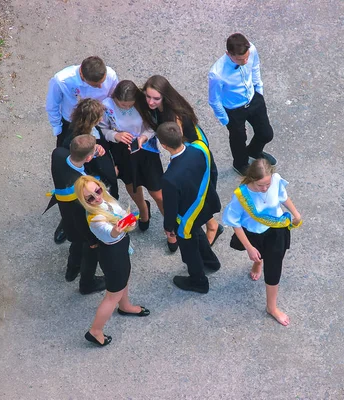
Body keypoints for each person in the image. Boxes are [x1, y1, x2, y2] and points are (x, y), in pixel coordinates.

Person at [143, 75, 224, 247]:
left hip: (194, 153)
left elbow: (177, 142)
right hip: (191, 149)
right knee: (196, 192)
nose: (150, 102)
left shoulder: (174, 117)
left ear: (164, 96)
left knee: (198, 192)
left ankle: (212, 226)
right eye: (148, 96)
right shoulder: (166, 107)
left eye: (155, 98)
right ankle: (211, 225)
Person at [45, 56, 118, 244]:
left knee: (100, 171)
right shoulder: (62, 80)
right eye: (97, 86)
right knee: (72, 179)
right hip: (72, 124)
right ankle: (69, 221)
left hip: (97, 122)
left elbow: (112, 98)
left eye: (103, 83)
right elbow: (52, 105)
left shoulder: (110, 75)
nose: (102, 88)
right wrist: (58, 130)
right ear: (83, 78)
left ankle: (104, 213)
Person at [222, 159, 302, 326]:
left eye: (267, 184)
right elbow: (234, 223)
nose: (265, 188)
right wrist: (249, 247)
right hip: (253, 234)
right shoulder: (241, 195)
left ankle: (271, 308)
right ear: (251, 179)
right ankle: (258, 262)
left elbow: (283, 197)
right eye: (260, 185)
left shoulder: (276, 180)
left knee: (274, 267)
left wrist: (296, 214)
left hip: (276, 230)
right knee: (257, 255)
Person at [99, 80, 176, 251]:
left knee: (158, 193)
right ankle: (143, 210)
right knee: (132, 186)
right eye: (121, 105)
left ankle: (170, 229)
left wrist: (144, 137)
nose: (125, 108)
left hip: (145, 151)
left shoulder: (143, 105)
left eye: (129, 105)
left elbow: (154, 127)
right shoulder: (106, 106)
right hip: (122, 152)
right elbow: (103, 129)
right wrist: (115, 135)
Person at [75, 175, 150, 347]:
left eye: (98, 190)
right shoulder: (95, 219)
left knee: (123, 280)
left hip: (119, 248)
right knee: (112, 295)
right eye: (90, 198)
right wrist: (118, 229)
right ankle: (95, 331)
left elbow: (118, 213)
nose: (97, 197)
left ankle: (125, 306)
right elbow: (109, 234)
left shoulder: (104, 199)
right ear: (84, 201)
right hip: (113, 253)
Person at [157, 122, 221, 294]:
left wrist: (169, 227)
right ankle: (210, 261)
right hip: (206, 205)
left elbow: (171, 207)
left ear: (163, 145)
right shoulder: (199, 149)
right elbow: (212, 172)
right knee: (198, 232)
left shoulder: (169, 179)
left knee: (189, 250)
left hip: (187, 217)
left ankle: (198, 281)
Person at [208, 33, 277, 176]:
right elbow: (214, 100)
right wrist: (225, 120)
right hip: (234, 110)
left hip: (253, 99)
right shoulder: (217, 74)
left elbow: (255, 66)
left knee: (266, 134)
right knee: (238, 140)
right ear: (228, 54)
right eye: (240, 59)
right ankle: (240, 164)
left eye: (246, 57)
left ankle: (254, 151)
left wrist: (259, 90)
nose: (245, 61)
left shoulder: (251, 49)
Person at [48, 134, 107, 294]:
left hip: (66, 218)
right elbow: (82, 220)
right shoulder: (83, 188)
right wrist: (92, 240)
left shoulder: (58, 154)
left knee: (75, 245)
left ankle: (72, 270)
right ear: (88, 158)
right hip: (82, 225)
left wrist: (91, 152)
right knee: (89, 251)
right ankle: (88, 283)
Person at [63, 98, 119, 199]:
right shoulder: (76, 139)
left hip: (105, 169)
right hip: (96, 175)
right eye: (99, 117)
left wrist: (111, 167)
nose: (102, 119)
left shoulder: (93, 128)